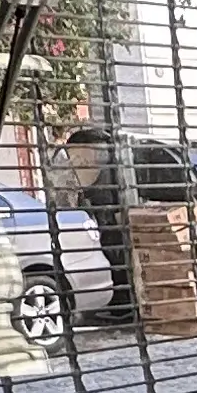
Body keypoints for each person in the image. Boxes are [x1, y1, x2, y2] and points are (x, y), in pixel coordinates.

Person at [57, 121, 138, 325]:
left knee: (117, 258)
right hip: (99, 220)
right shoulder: (82, 171)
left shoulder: (113, 167)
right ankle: (120, 304)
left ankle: (123, 304)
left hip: (110, 219)